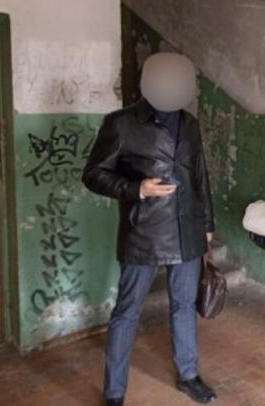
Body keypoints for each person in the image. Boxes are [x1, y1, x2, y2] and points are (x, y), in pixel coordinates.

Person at [82, 53, 217, 405]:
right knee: (127, 312)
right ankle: (114, 393)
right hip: (143, 232)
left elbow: (200, 176)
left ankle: (188, 375)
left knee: (184, 305)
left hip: (187, 230)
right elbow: (93, 174)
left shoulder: (189, 123)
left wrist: (207, 226)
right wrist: (136, 189)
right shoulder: (121, 123)